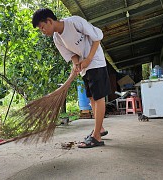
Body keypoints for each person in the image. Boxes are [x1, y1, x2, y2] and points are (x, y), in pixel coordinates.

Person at [32, 8, 111, 148]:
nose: (42, 31)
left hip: (96, 61)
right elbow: (71, 54)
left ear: (49, 21)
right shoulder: (57, 38)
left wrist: (88, 59)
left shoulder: (74, 22)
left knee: (98, 98)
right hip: (85, 67)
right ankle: (100, 128)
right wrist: (76, 64)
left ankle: (97, 136)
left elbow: (97, 37)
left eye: (42, 27)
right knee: (91, 97)